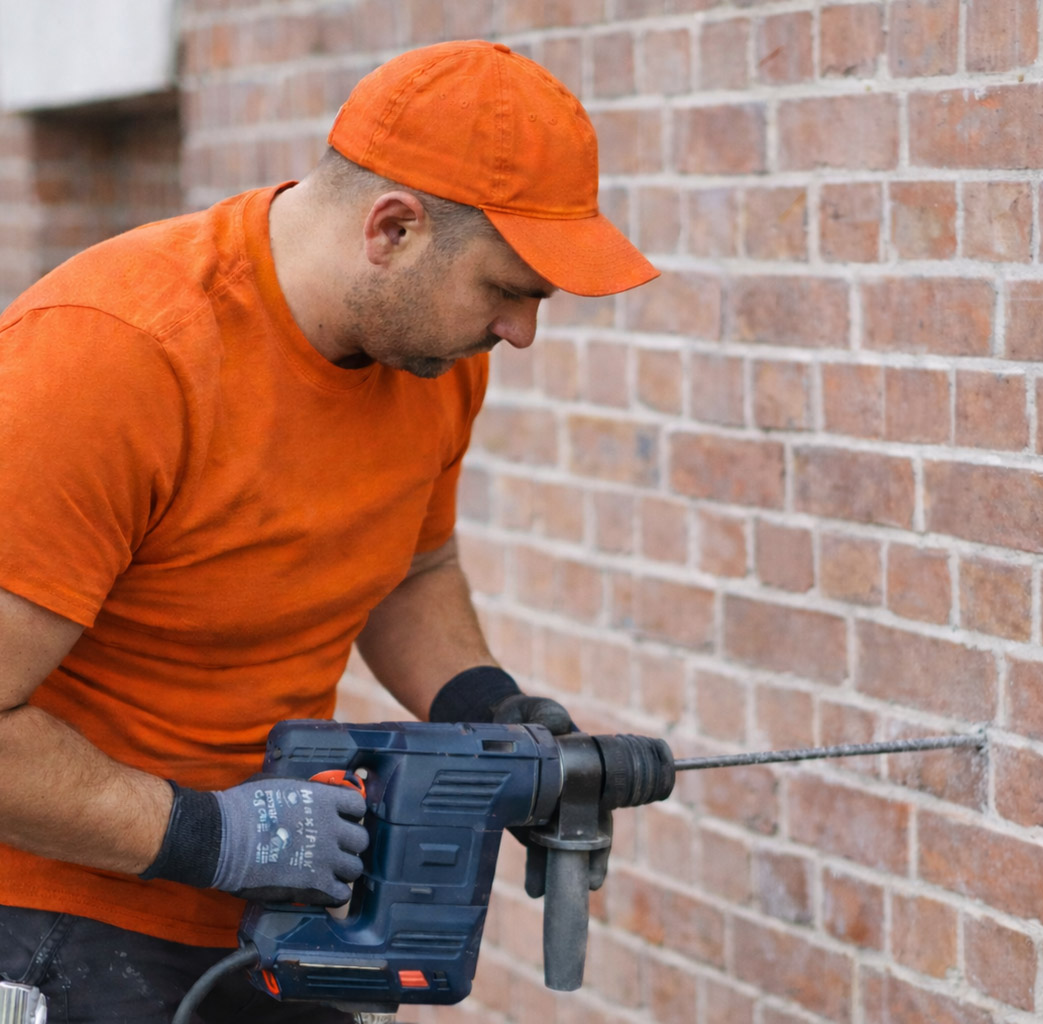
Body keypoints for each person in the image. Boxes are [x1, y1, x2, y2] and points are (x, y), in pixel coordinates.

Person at [0, 39, 658, 1023]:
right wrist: (210, 835)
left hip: (279, 908)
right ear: (392, 229)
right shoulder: (115, 355)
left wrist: (503, 715)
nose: (522, 332)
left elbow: (412, 565)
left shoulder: (432, 355)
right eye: (509, 288)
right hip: (59, 912)